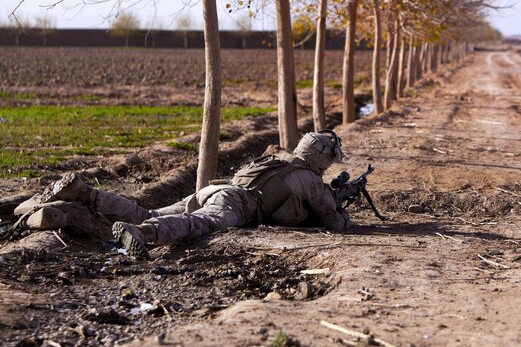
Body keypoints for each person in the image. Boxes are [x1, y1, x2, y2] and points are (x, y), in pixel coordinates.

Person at [35, 130, 353, 259]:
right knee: (193, 225)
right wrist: (342, 210)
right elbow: (333, 224)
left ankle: (85, 193)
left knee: (149, 210)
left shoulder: (282, 158)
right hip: (238, 205)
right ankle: (141, 234)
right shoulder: (310, 179)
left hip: (217, 188)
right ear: (323, 158)